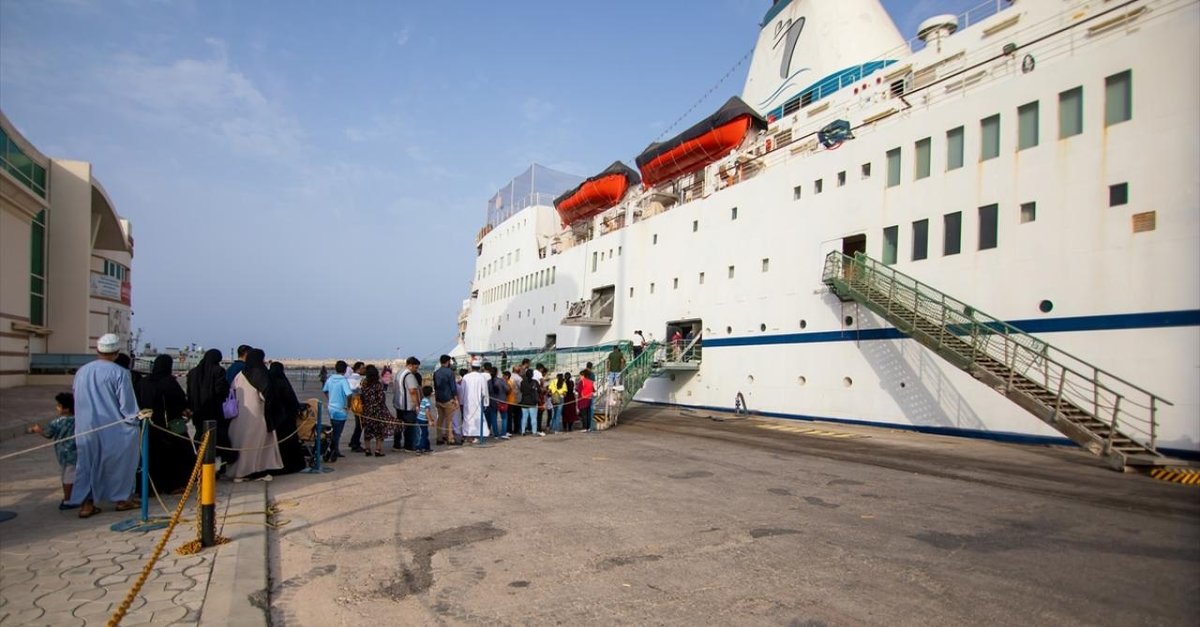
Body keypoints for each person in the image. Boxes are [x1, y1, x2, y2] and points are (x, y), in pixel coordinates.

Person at [67, 333, 142, 518]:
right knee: (121, 463)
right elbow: (128, 407)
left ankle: (86, 504)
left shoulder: (82, 371)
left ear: (97, 350)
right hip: (114, 427)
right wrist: (136, 421)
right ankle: (122, 499)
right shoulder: (120, 373)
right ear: (116, 352)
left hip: (86, 427)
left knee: (86, 464)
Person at [138, 355, 197, 494]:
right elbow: (180, 400)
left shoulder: (144, 382)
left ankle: (152, 487)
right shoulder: (169, 381)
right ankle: (176, 484)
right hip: (173, 422)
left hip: (150, 424)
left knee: (153, 455)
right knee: (181, 451)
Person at [229, 349, 283, 480]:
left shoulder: (240, 374)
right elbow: (266, 394)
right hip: (257, 414)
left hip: (239, 415)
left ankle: (238, 472)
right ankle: (254, 472)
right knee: (257, 445)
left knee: (241, 443)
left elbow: (232, 390)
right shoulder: (260, 373)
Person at [186, 349, 235, 469]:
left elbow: (189, 392)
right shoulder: (218, 371)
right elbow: (221, 391)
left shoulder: (193, 372)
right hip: (214, 412)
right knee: (217, 439)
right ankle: (216, 467)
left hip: (197, 411)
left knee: (200, 436)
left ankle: (200, 464)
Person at [29, 392, 78, 509]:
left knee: (67, 477)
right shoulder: (78, 420)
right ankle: (71, 497)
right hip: (75, 453)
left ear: (65, 409)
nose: (57, 407)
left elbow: (48, 433)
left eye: (59, 405)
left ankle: (67, 500)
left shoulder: (58, 422)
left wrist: (37, 430)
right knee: (71, 476)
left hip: (64, 454)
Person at [265, 362, 308, 474]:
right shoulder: (283, 381)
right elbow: (291, 398)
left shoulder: (268, 381)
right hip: (286, 418)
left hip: (274, 418)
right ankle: (291, 464)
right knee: (289, 442)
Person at [359, 365, 393, 457]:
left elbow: (361, 397)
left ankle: (367, 449)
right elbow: (381, 399)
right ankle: (378, 450)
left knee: (368, 430)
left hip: (367, 410)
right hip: (377, 410)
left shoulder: (364, 384)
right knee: (379, 431)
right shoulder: (378, 385)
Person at [322, 360, 353, 461]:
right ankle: (332, 452)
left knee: (334, 431)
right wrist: (348, 406)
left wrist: (330, 399)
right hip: (340, 409)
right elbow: (349, 394)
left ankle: (335, 450)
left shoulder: (330, 379)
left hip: (331, 408)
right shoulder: (343, 380)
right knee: (337, 433)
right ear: (345, 370)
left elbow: (325, 390)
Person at [392, 357, 422, 451]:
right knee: (410, 426)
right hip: (408, 406)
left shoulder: (399, 372)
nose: (416, 370)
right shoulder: (409, 375)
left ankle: (396, 444)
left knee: (399, 425)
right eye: (415, 368)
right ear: (410, 365)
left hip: (398, 404)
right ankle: (409, 446)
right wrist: (417, 405)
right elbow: (412, 391)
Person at [460, 358, 490, 443]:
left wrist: (462, 401)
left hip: (467, 401)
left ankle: (468, 435)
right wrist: (486, 403)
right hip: (478, 401)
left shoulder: (466, 377)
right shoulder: (481, 377)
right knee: (478, 418)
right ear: (479, 367)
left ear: (471, 367)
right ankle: (475, 435)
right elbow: (485, 391)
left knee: (468, 418)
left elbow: (462, 390)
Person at [433, 355, 459, 446]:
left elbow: (435, 387)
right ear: (448, 362)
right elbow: (453, 387)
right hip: (448, 398)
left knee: (440, 419)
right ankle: (450, 438)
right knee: (449, 420)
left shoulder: (436, 372)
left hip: (439, 398)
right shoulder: (450, 372)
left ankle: (439, 438)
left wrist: (436, 399)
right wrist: (456, 399)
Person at [347, 361, 366, 453]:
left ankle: (354, 441)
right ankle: (355, 443)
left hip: (353, 404)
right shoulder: (358, 379)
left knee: (358, 424)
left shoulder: (349, 378)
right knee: (360, 425)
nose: (364, 370)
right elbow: (359, 391)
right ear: (358, 369)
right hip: (358, 404)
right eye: (363, 368)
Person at [518, 368, 542, 436]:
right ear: (532, 375)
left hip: (524, 401)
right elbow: (539, 391)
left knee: (524, 417)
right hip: (532, 402)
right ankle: (534, 432)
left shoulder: (522, 382)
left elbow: (522, 390)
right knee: (533, 418)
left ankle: (523, 431)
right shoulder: (535, 382)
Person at [413, 385, 434, 453]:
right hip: (423, 420)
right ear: (430, 393)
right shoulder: (427, 401)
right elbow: (427, 412)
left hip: (419, 418)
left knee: (425, 433)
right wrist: (430, 420)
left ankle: (427, 447)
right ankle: (419, 448)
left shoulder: (423, 400)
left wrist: (431, 419)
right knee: (424, 434)